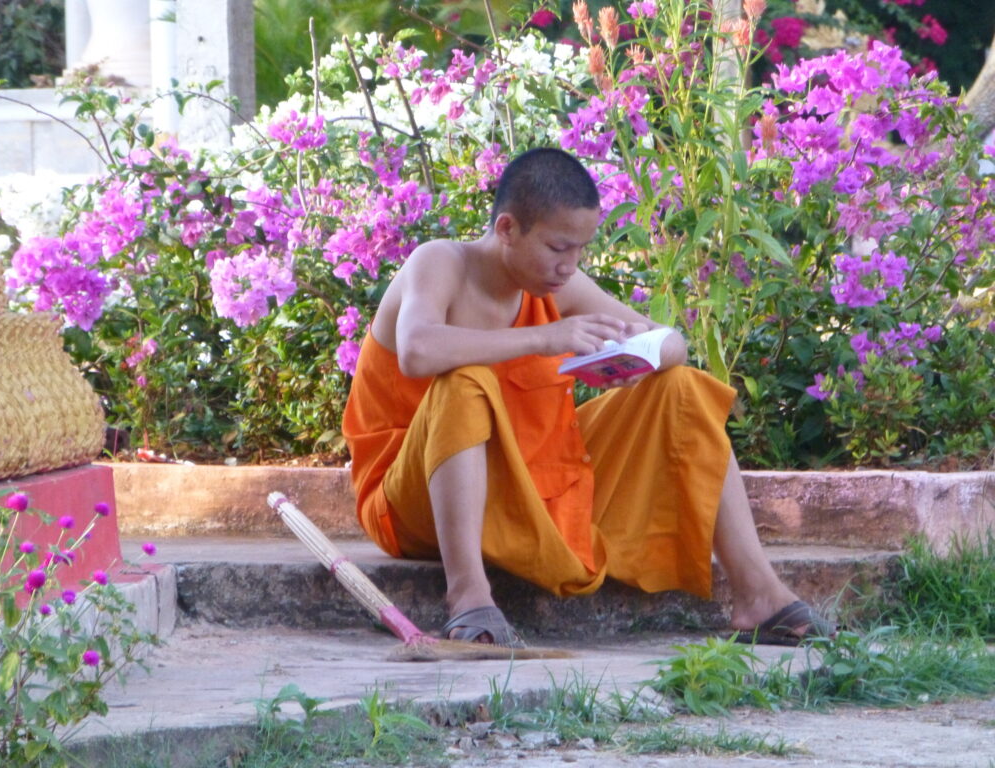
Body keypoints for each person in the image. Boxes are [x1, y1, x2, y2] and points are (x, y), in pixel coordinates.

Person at [341, 147, 834, 647]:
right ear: (508, 229)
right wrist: (543, 339)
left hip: (524, 480)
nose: (567, 267)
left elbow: (671, 343)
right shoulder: (441, 262)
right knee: (464, 383)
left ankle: (759, 596)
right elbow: (418, 350)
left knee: (681, 389)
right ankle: (469, 596)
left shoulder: (557, 284)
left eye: (580, 250)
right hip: (409, 500)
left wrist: (627, 361)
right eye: (558, 247)